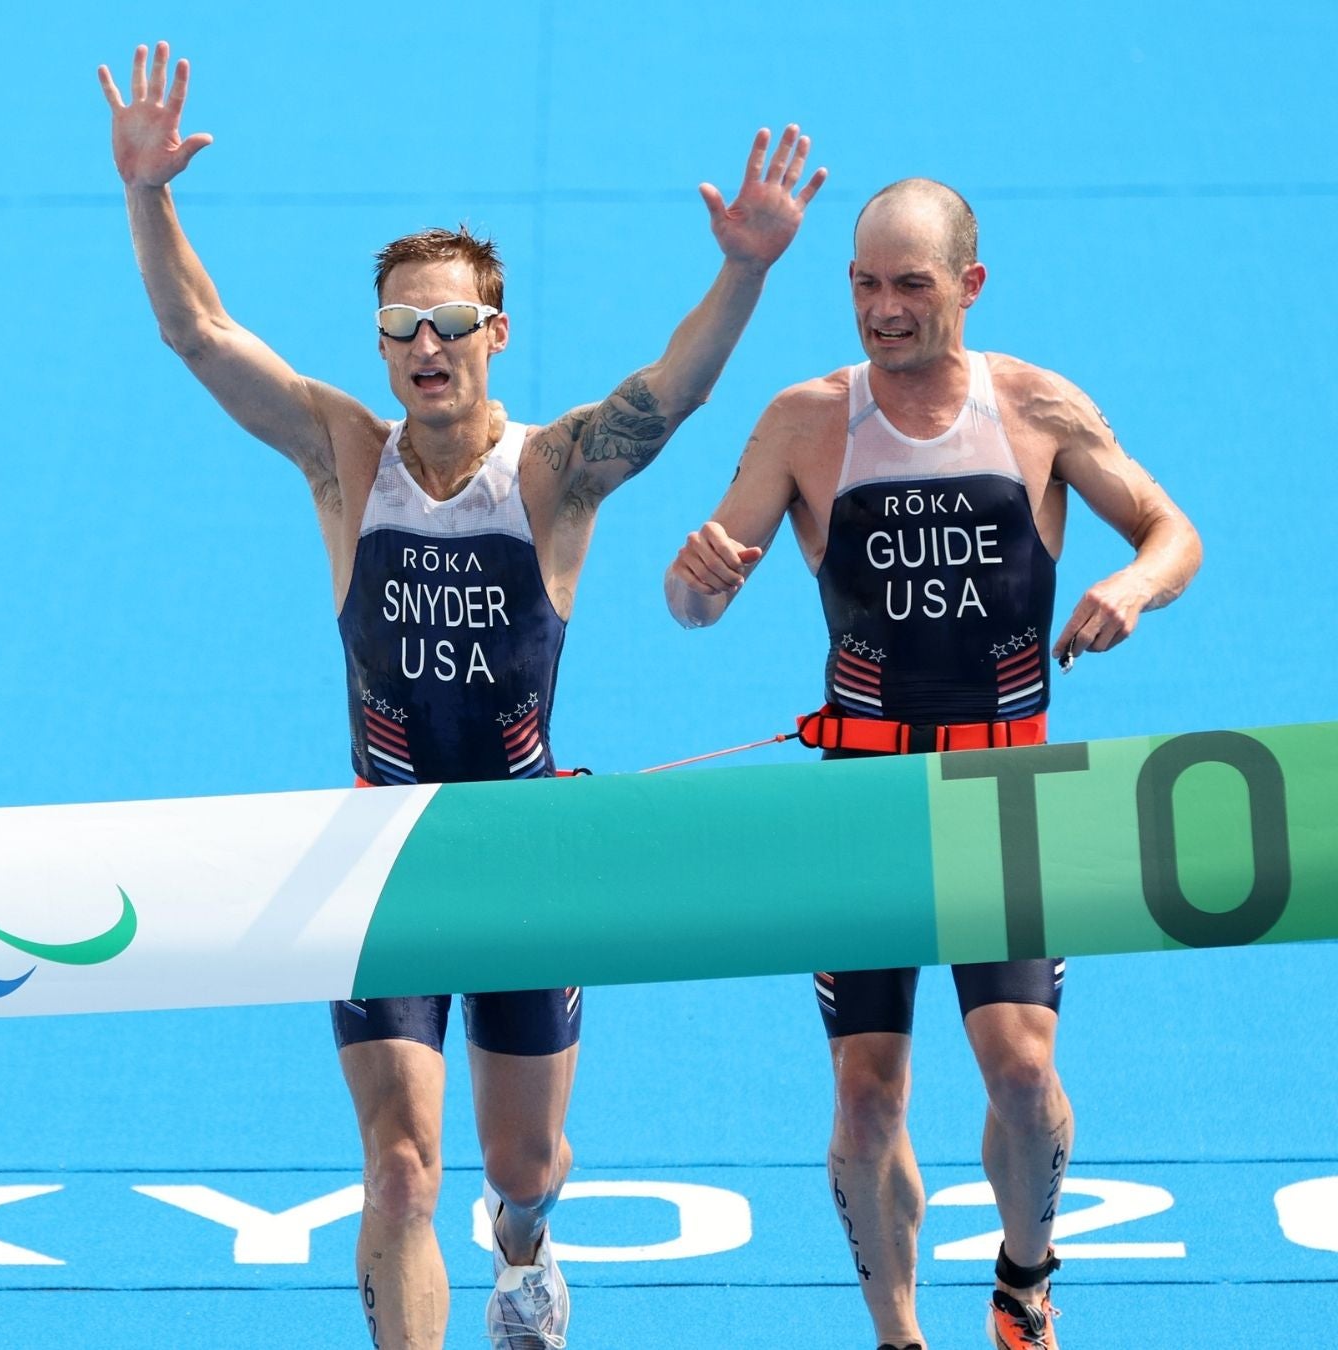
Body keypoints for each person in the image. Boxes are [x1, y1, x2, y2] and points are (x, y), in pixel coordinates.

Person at [100, 42, 823, 1349]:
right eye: (400, 328)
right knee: (398, 1167)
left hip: (526, 857)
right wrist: (149, 194)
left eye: (450, 325)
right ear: (380, 344)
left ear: (496, 332)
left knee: (521, 1170)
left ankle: (529, 1254)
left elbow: (676, 394)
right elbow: (196, 331)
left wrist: (745, 266)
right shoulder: (341, 458)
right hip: (376, 855)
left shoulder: (552, 474)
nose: (426, 348)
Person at [663, 178, 1202, 1350]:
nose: (884, 309)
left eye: (912, 284)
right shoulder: (808, 421)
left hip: (1004, 800)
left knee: (1020, 1073)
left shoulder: (1037, 407)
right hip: (860, 807)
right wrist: (698, 582)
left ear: (971, 283)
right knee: (866, 1100)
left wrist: (1130, 586)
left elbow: (1175, 532)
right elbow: (693, 599)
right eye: (864, 283)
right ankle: (896, 1333)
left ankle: (1022, 1276)